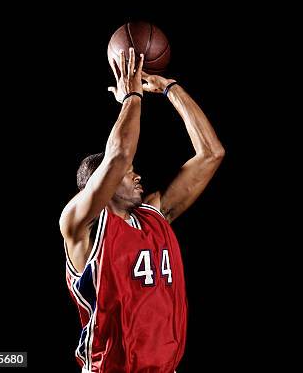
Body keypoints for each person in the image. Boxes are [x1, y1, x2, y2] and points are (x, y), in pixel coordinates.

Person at [59, 48, 225, 372]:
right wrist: (131, 96)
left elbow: (211, 153)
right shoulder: (81, 226)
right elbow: (119, 154)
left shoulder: (153, 215)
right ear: (101, 183)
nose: (137, 174)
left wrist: (169, 88)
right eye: (127, 172)